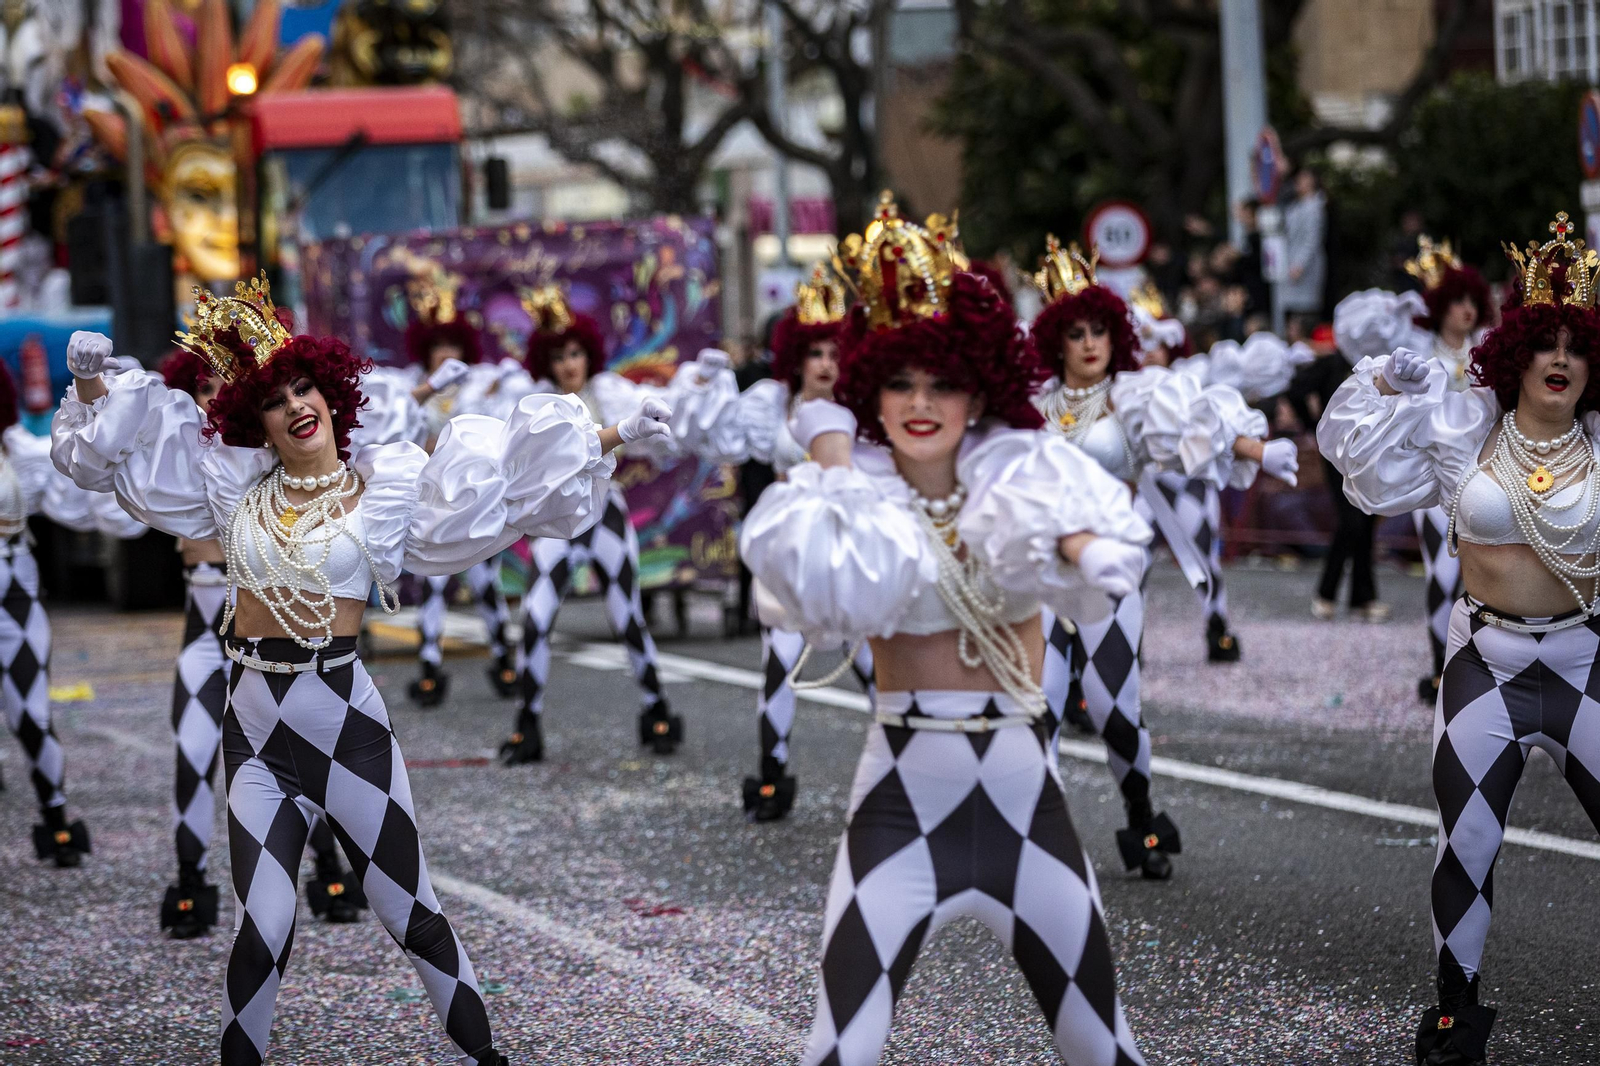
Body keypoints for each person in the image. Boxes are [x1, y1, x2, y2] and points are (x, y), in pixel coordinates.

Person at [51, 274, 671, 1066]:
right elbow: (106, 462)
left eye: (306, 388)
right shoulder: (231, 494)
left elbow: (507, 497)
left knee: (411, 915)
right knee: (263, 930)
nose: (296, 406)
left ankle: (489, 1059)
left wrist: (615, 432)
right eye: (276, 401)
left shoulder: (382, 495)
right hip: (253, 736)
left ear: (332, 397)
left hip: (345, 727)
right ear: (259, 423)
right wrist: (91, 382)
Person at [741, 193, 1149, 1065]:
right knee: (838, 1050)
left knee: (1103, 1050)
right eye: (899, 381)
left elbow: (1057, 527)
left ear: (980, 387)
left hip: (1021, 795)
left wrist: (1086, 549)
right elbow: (807, 589)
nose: (922, 402)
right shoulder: (855, 492)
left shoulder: (1020, 472)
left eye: (944, 382)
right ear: (870, 389)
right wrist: (833, 456)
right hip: (899, 796)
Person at [1318, 213, 1600, 1066]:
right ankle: (1455, 1012)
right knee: (1468, 841)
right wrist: (1381, 378)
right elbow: (1360, 470)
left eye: (1575, 346)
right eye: (1543, 341)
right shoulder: (1462, 427)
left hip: (1587, 661)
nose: (1559, 359)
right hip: (1488, 665)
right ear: (1515, 352)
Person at [1028, 237, 1300, 879]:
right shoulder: (1032, 406)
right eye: (1076, 333)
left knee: (1114, 712)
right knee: (1038, 708)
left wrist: (1257, 451)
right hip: (1040, 574)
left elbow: (1192, 434)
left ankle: (1141, 813)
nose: (1090, 343)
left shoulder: (1134, 399)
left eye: (1099, 330)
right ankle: (1041, 839)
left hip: (1111, 573)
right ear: (1055, 341)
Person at [155, 348, 377, 938]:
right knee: (194, 750)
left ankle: (329, 868)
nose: (211, 394)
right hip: (210, 642)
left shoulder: (260, 464)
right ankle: (189, 880)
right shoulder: (194, 464)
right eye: (202, 385)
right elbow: (123, 472)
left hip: (286, 648)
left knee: (313, 751)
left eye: (223, 384)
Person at [666, 265, 876, 821]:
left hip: (846, 546)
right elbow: (705, 436)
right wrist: (705, 385)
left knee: (873, 664)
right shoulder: (770, 404)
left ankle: (907, 768)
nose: (827, 365)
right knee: (778, 664)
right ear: (797, 357)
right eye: (816, 354)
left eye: (835, 353)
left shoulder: (861, 404)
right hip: (788, 553)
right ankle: (772, 776)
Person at [499, 284, 681, 764]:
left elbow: (661, 426)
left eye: (576, 353)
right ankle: (527, 723)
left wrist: (691, 396)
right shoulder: (535, 406)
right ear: (547, 361)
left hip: (605, 517)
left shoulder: (607, 393)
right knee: (536, 621)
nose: (569, 364)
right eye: (559, 356)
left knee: (628, 618)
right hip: (556, 523)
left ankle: (656, 708)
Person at [1328, 237, 1492, 700]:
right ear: (1439, 305)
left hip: (1483, 473)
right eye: (1455, 300)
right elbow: (1352, 336)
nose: (1464, 309)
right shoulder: (1416, 343)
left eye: (1470, 300)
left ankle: (1478, 665)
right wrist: (1395, 312)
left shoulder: (1487, 348)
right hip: (1433, 474)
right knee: (1442, 571)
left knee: (1481, 575)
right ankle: (1440, 667)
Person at [0, 359, 142, 868]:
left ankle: (56, 817)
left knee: (32, 713)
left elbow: (83, 484)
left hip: (16, 589)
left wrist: (111, 401)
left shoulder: (20, 450)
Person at [1128, 283, 1314, 663]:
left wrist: (1282, 362)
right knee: (1132, 566)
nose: (1149, 353)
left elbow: (1228, 398)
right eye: (1141, 344)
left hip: (1189, 484)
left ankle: (1218, 628)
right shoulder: (1123, 390)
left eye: (1155, 343)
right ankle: (1130, 639)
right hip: (1141, 489)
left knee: (1205, 563)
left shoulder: (1192, 376)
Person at [398, 274, 529, 705]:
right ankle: (431, 665)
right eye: (439, 348)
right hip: (431, 501)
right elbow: (397, 434)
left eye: (453, 347)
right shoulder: (412, 390)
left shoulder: (479, 386)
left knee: (486, 582)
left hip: (473, 502)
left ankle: (503, 659)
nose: (446, 356)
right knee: (434, 585)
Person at [1282, 168, 1328, 329]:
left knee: (1305, 309)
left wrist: (1300, 264)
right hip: (1291, 259)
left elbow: (1312, 239)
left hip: (1304, 265)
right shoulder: (1295, 206)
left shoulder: (1314, 206)